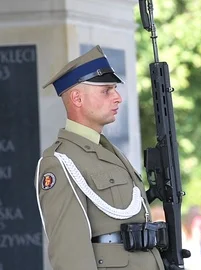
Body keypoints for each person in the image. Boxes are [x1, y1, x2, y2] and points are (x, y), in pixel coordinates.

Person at [34, 45, 165, 270]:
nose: (118, 98)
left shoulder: (109, 152)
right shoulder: (60, 162)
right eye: (106, 90)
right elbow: (70, 255)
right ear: (77, 98)